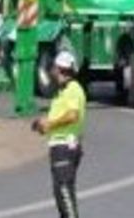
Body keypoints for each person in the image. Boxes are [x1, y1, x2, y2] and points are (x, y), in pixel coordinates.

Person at [32, 51, 87, 218]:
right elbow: (61, 116)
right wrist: (43, 125)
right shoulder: (62, 91)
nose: (53, 72)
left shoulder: (73, 89)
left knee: (64, 192)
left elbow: (72, 115)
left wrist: (50, 124)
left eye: (55, 68)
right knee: (60, 193)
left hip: (65, 147)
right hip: (59, 145)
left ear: (61, 69)